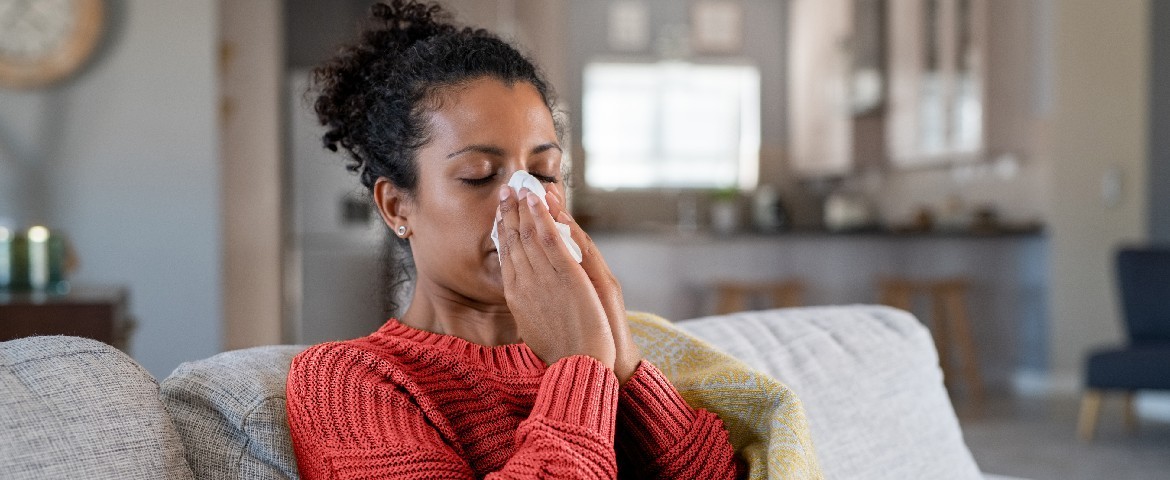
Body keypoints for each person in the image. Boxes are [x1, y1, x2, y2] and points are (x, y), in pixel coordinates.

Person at [284, 1, 744, 478]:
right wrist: (581, 366)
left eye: (545, 173)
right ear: (397, 206)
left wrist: (623, 366)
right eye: (479, 175)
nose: (529, 202)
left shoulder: (601, 344)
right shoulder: (347, 381)